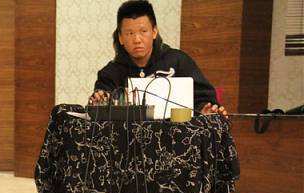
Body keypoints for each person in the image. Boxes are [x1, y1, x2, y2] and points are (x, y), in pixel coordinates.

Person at [90, 0, 227, 117]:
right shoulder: (110, 73)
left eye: (143, 31)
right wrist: (99, 101)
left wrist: (204, 109)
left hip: (176, 137)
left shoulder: (179, 61)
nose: (137, 39)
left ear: (154, 32)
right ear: (120, 38)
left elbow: (203, 98)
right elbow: (100, 111)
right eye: (130, 33)